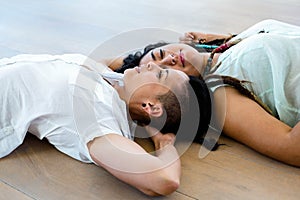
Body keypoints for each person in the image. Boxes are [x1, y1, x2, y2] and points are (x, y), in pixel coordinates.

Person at [0, 53, 209, 196]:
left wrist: (165, 143)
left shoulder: (96, 115)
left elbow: (164, 179)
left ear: (152, 107)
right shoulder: (114, 80)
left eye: (160, 74)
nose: (152, 64)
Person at [102, 19, 300, 167]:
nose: (169, 59)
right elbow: (292, 147)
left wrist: (212, 40)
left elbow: (109, 64)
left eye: (160, 54)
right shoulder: (223, 96)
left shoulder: (220, 46)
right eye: (164, 73)